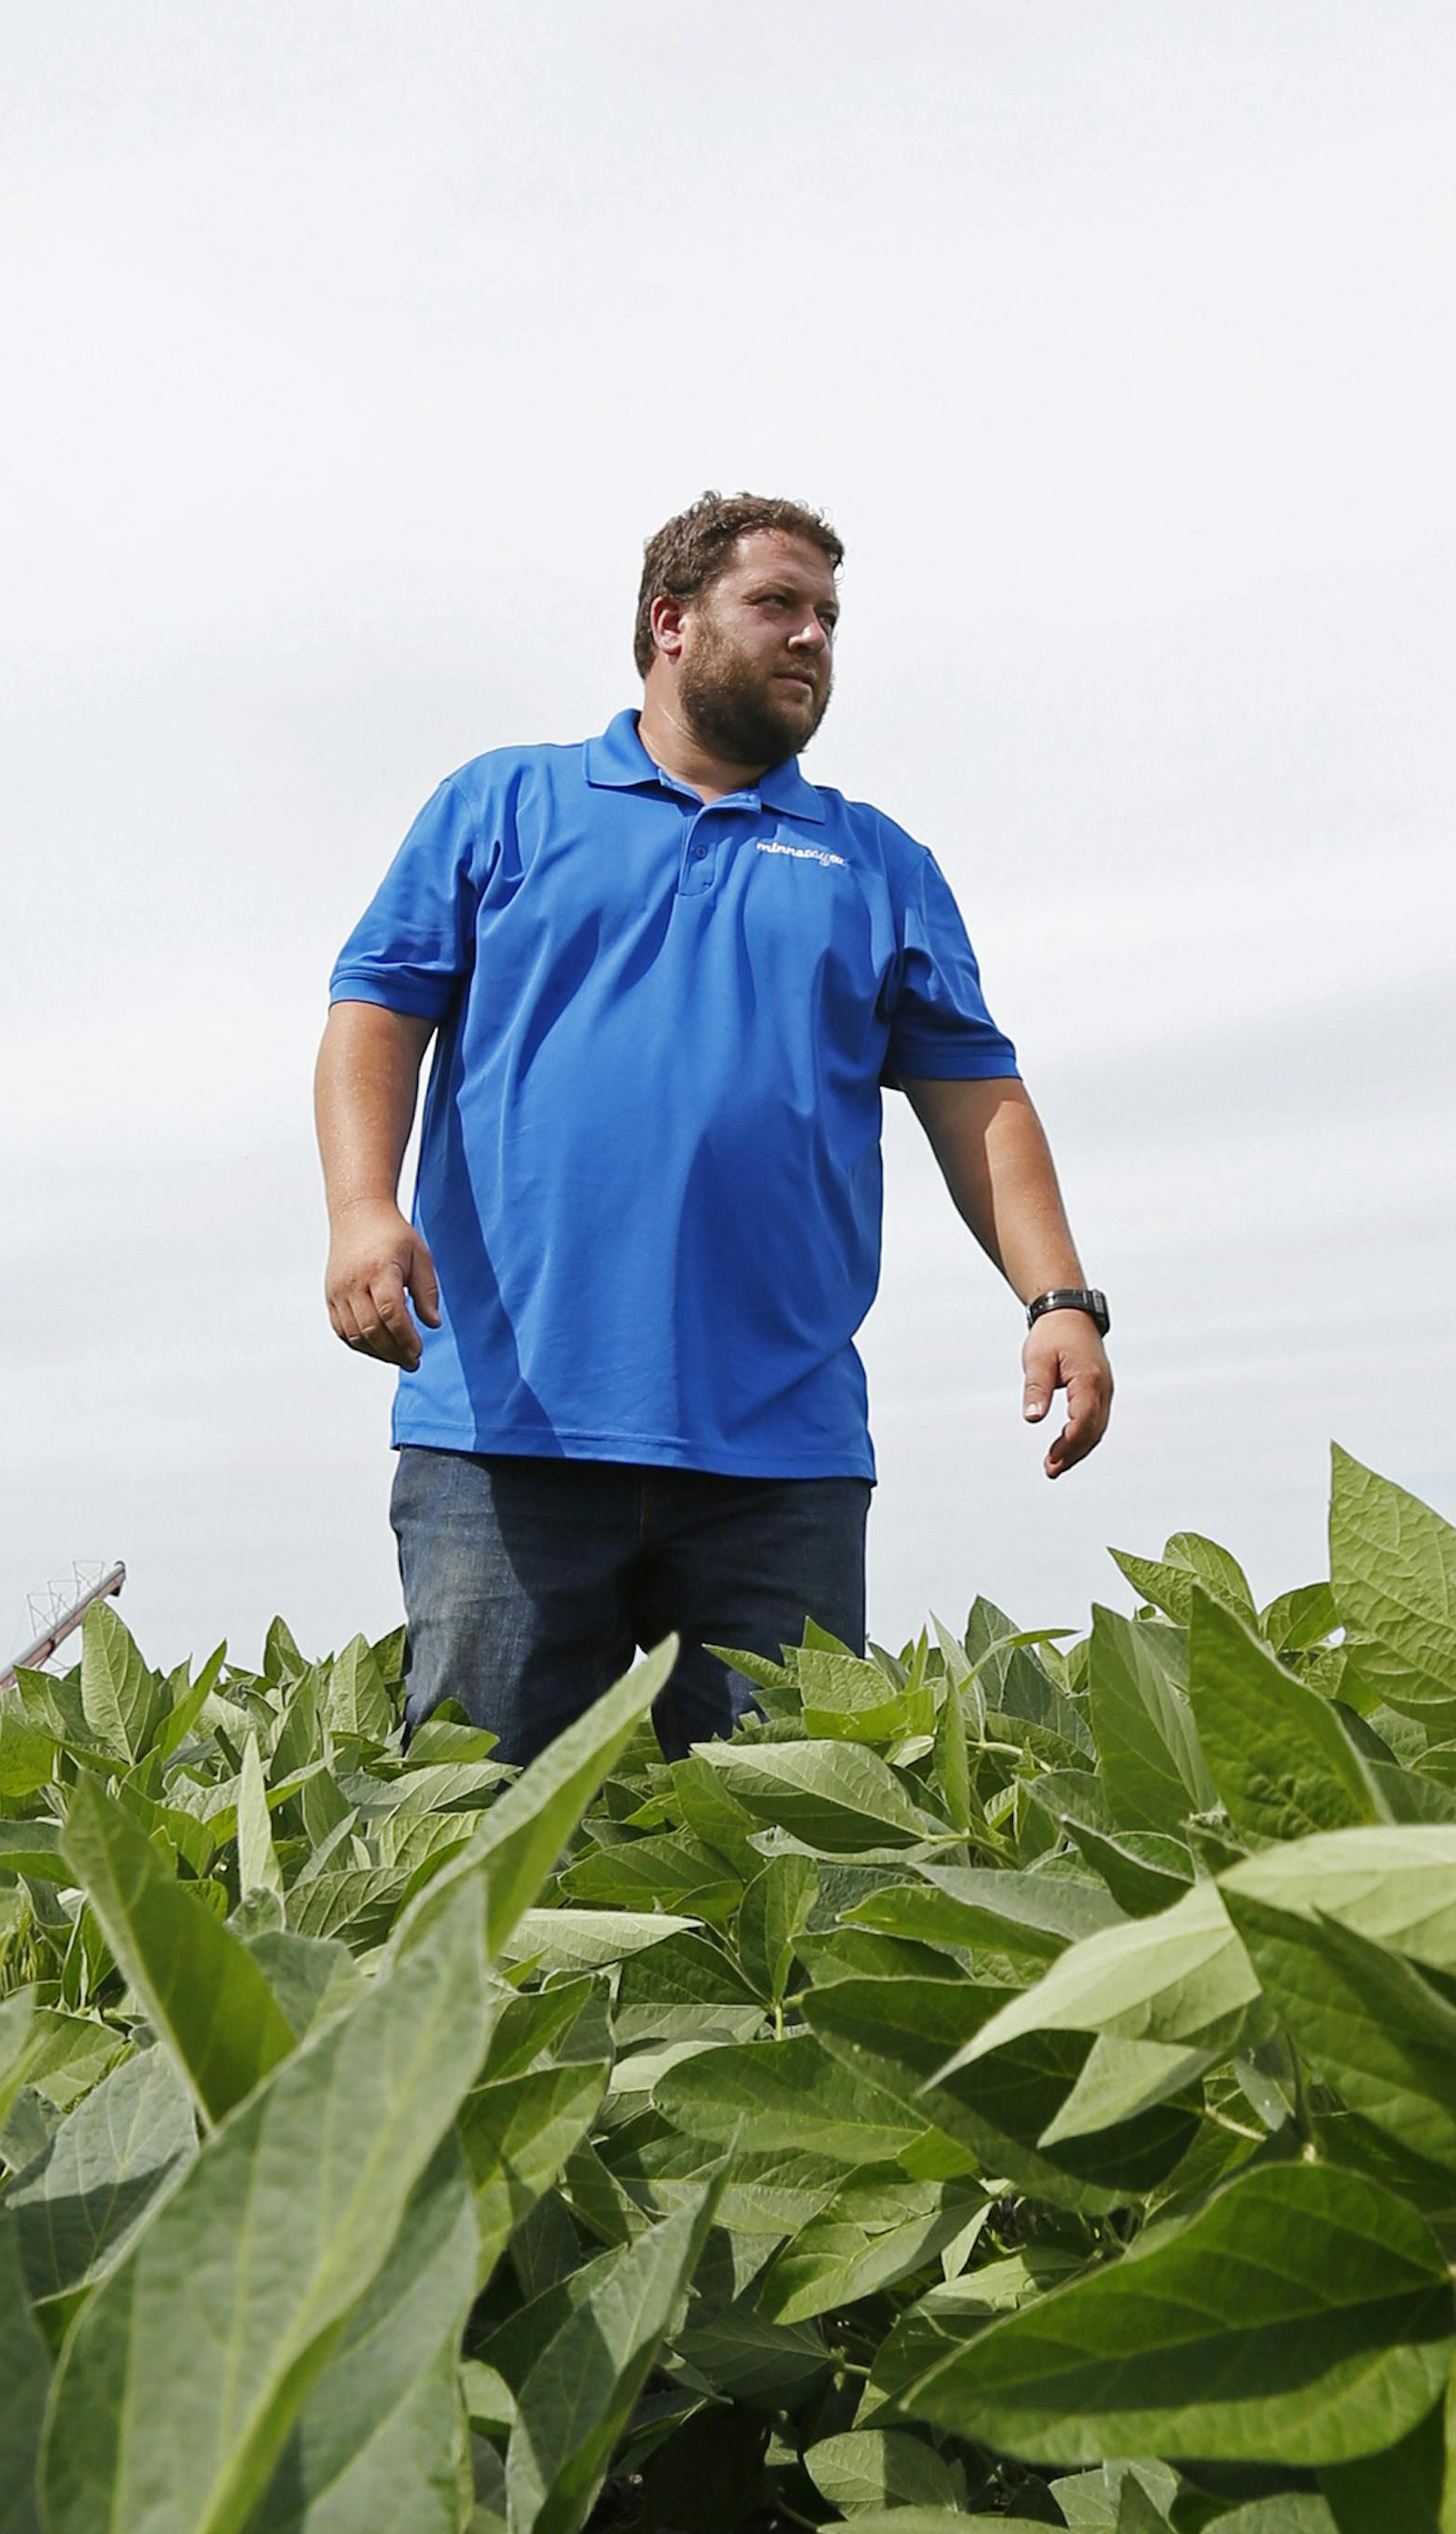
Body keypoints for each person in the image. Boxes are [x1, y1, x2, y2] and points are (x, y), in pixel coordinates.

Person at [316, 491, 1112, 1766]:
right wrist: (363, 1209)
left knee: (785, 1866)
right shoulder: (501, 807)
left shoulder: (876, 862)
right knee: (471, 1854)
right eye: (779, 605)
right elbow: (376, 1009)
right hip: (504, 1440)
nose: (813, 639)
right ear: (670, 621)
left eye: (831, 619)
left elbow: (978, 1094)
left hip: (779, 1455)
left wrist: (1059, 1296)